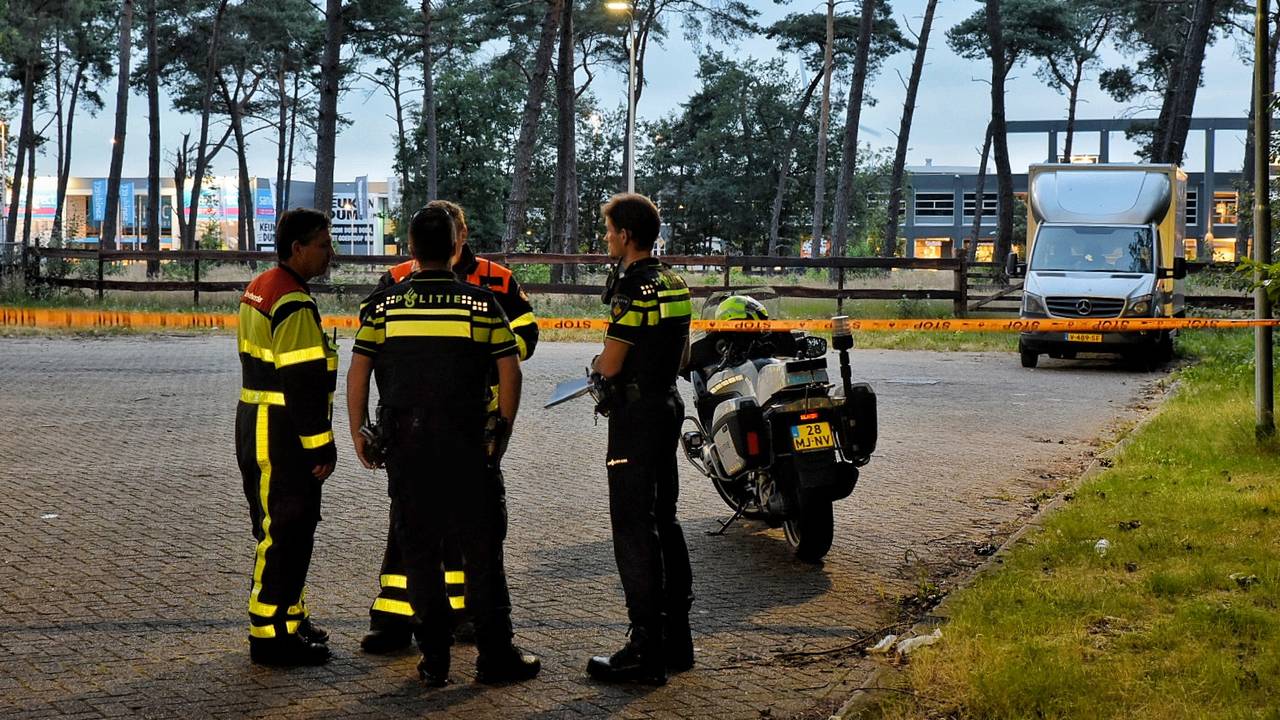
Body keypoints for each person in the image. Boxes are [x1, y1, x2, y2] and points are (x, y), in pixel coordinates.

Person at [346, 205, 541, 686]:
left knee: (419, 551)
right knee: (482, 552)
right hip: (468, 445)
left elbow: (358, 370)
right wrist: (503, 429)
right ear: (457, 247)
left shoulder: (385, 305)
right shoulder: (480, 304)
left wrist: (359, 430)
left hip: (407, 448)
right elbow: (510, 367)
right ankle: (496, 657)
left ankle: (434, 660)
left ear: (410, 250)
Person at [586, 192, 695, 686]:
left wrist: (596, 369)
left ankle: (643, 648)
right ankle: (677, 639)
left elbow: (610, 362)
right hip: (667, 405)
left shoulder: (634, 287)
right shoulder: (675, 283)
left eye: (609, 231)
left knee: (633, 527)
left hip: (634, 415)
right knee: (665, 519)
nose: (606, 239)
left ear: (626, 235)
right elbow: (683, 354)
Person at [234, 208, 338, 666]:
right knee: (286, 532)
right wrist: (320, 444)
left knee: (281, 529)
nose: (329, 253)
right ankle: (270, 635)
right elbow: (303, 380)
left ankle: (290, 617)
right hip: (282, 430)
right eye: (322, 244)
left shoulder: (263, 285)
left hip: (259, 420)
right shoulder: (292, 300)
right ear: (298, 247)